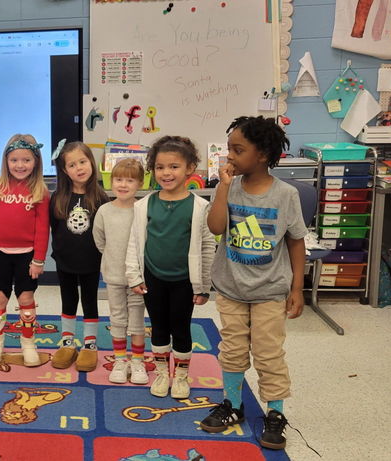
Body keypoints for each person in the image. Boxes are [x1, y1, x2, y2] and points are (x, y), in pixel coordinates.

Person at [202, 116, 306, 450]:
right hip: (231, 288)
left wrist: (297, 289)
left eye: (237, 149)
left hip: (270, 290)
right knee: (231, 350)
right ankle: (233, 405)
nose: (229, 155)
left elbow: (295, 242)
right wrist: (222, 189)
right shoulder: (229, 188)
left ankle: (275, 414)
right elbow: (216, 228)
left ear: (261, 155)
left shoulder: (285, 194)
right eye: (229, 148)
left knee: (268, 353)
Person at [125, 136, 214, 399]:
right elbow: (135, 242)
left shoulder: (200, 206)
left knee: (181, 326)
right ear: (153, 170)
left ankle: (182, 376)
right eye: (161, 167)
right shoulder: (144, 205)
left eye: (174, 166)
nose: (167, 173)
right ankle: (163, 373)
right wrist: (134, 275)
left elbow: (208, 247)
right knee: (159, 326)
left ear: (190, 169)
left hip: (185, 280)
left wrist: (204, 286)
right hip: (153, 277)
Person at [0, 134, 50, 367]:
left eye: (26, 160)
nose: (20, 165)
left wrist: (38, 259)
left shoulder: (40, 191)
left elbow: (42, 229)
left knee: (26, 297)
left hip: (27, 255)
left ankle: (28, 342)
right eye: (15, 160)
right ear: (6, 161)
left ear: (36, 162)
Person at [48, 141, 109, 372]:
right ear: (65, 171)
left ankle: (90, 345)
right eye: (72, 165)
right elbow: (55, 228)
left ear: (91, 163)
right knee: (68, 300)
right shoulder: (58, 198)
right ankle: (67, 343)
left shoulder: (101, 198)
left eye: (83, 162)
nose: (79, 168)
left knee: (90, 301)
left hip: (91, 262)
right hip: (65, 261)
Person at [93, 159, 149, 385]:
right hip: (114, 276)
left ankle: (137, 361)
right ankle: (119, 360)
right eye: (118, 179)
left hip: (137, 278)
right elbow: (100, 241)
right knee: (117, 318)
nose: (123, 184)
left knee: (136, 320)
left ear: (140, 183)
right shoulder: (104, 211)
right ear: (111, 181)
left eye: (129, 180)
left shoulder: (143, 210)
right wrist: (112, 260)